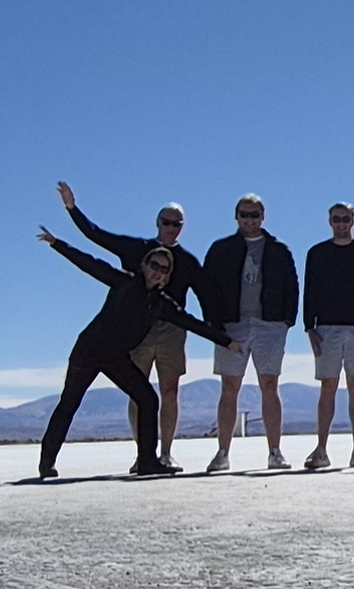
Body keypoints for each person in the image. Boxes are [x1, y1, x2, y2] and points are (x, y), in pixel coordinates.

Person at [32, 230, 224, 479]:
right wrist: (57, 244)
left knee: (147, 399)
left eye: (164, 269)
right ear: (144, 265)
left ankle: (147, 461)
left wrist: (227, 342)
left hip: (116, 358)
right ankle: (47, 462)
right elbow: (91, 265)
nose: (157, 272)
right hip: (88, 352)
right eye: (154, 265)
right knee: (70, 402)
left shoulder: (161, 303)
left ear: (167, 276)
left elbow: (191, 323)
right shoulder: (125, 282)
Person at [59, 182, 198, 463]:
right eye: (166, 222)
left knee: (169, 390)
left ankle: (165, 454)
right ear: (157, 222)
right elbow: (96, 236)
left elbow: (206, 296)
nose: (171, 227)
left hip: (172, 328)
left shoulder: (188, 261)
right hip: (137, 331)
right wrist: (72, 209)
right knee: (139, 391)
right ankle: (143, 454)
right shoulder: (137, 248)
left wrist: (223, 334)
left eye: (177, 224)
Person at [195, 194, 298, 473]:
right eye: (244, 214)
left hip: (269, 325)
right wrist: (214, 326)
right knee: (229, 387)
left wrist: (286, 321)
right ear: (236, 216)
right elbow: (207, 288)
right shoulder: (221, 249)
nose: (249, 220)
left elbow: (292, 286)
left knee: (269, 384)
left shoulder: (278, 250)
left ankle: (275, 452)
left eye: (254, 215)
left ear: (263, 217)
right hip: (232, 326)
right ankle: (222, 453)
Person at [300, 201, 354, 472]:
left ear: (353, 221)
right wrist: (309, 327)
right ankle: (321, 449)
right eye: (337, 219)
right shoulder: (317, 254)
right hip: (326, 328)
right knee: (328, 385)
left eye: (346, 219)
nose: (341, 224)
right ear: (330, 222)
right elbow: (310, 291)